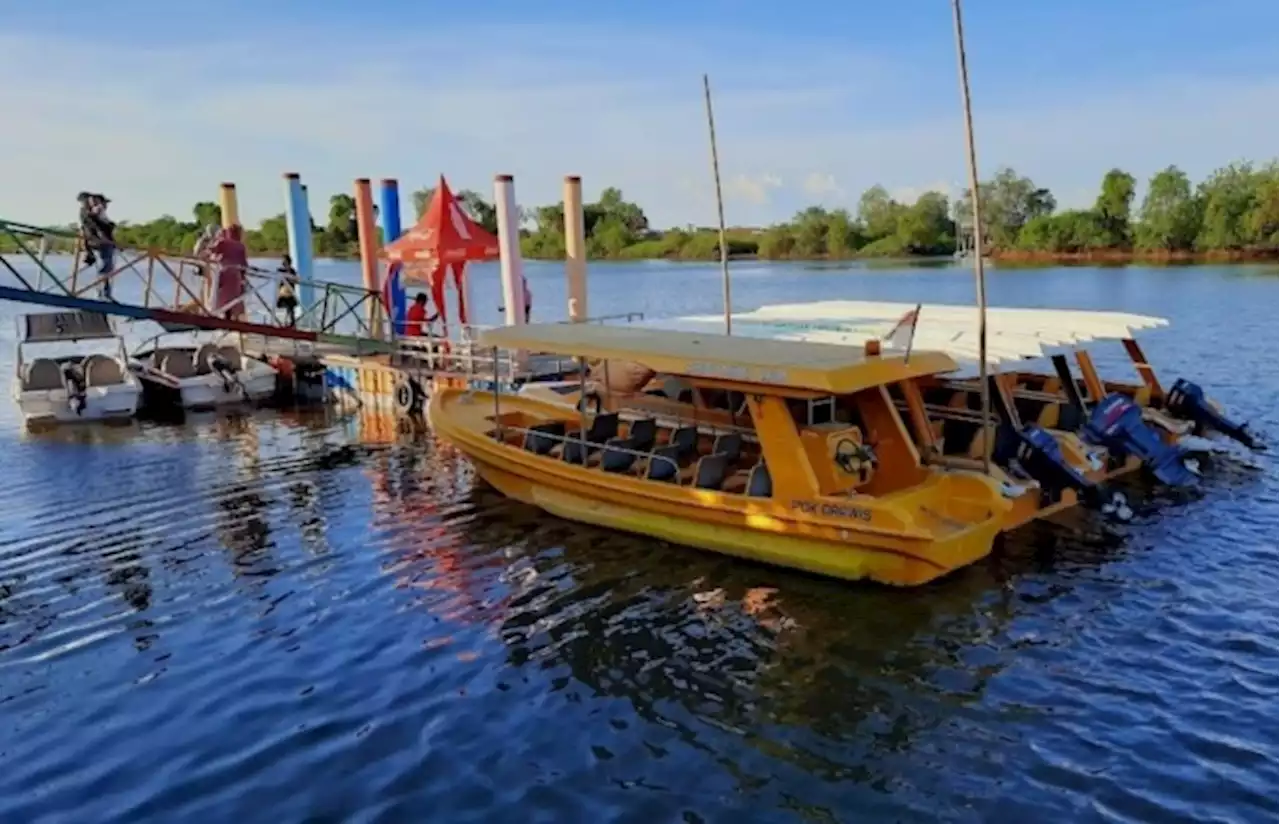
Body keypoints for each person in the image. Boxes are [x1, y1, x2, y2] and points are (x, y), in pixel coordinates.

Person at [78, 192, 116, 299]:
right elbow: (95, 227)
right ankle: (101, 294)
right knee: (104, 268)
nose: (105, 205)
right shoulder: (89, 212)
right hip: (99, 243)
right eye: (104, 202)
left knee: (107, 269)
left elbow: (105, 228)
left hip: (104, 243)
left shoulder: (97, 213)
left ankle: (104, 293)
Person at [209, 224, 249, 321]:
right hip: (237, 276)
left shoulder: (224, 242)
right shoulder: (241, 246)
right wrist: (243, 278)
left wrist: (213, 239)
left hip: (225, 274)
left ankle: (223, 316)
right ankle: (234, 318)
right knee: (234, 299)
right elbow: (244, 264)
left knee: (222, 297)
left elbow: (211, 250)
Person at [276, 253, 299, 327]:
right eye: (283, 261)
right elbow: (278, 280)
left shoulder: (292, 271)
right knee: (286, 307)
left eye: (285, 261)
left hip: (290, 292)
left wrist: (292, 278)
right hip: (283, 292)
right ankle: (284, 322)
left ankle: (292, 323)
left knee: (291, 308)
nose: (283, 262)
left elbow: (295, 280)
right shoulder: (280, 270)